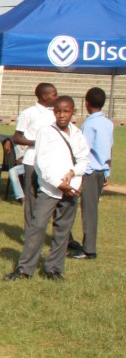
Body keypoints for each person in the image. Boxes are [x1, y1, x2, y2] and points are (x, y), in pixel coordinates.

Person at [5, 95, 88, 281]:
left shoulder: (77, 133)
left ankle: (54, 269)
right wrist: (58, 183)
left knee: (63, 230)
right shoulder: (46, 131)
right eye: (58, 111)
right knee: (38, 226)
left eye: (66, 111)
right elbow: (41, 161)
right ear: (53, 112)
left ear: (73, 112)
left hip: (71, 188)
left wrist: (73, 173)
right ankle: (25, 268)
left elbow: (83, 159)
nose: (62, 115)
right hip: (50, 188)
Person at [70, 87, 112, 260]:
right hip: (101, 170)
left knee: (87, 210)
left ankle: (88, 249)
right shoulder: (108, 123)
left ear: (86, 103)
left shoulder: (89, 124)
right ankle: (83, 244)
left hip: (89, 171)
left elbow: (83, 149)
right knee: (91, 209)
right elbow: (109, 148)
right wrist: (107, 171)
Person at [12, 83, 57, 227]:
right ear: (44, 96)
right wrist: (37, 143)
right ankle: (29, 232)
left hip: (50, 161)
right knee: (31, 198)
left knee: (52, 195)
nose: (56, 97)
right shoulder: (28, 113)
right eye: (54, 94)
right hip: (32, 160)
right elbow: (17, 138)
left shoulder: (53, 114)